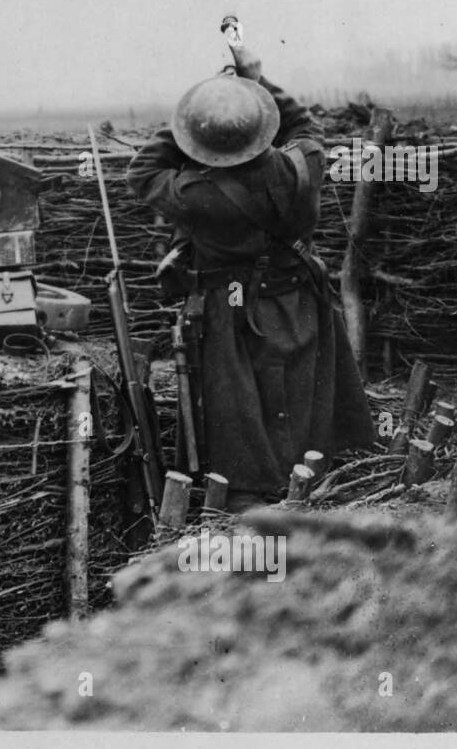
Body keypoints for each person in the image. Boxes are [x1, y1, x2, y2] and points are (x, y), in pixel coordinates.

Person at [126, 48, 373, 511]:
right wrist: (255, 83)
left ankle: (246, 499)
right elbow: (303, 124)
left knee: (240, 409)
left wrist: (194, 112)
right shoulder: (305, 164)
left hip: (230, 309)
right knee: (302, 398)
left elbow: (142, 170)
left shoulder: (198, 193)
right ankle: (309, 487)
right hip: (300, 301)